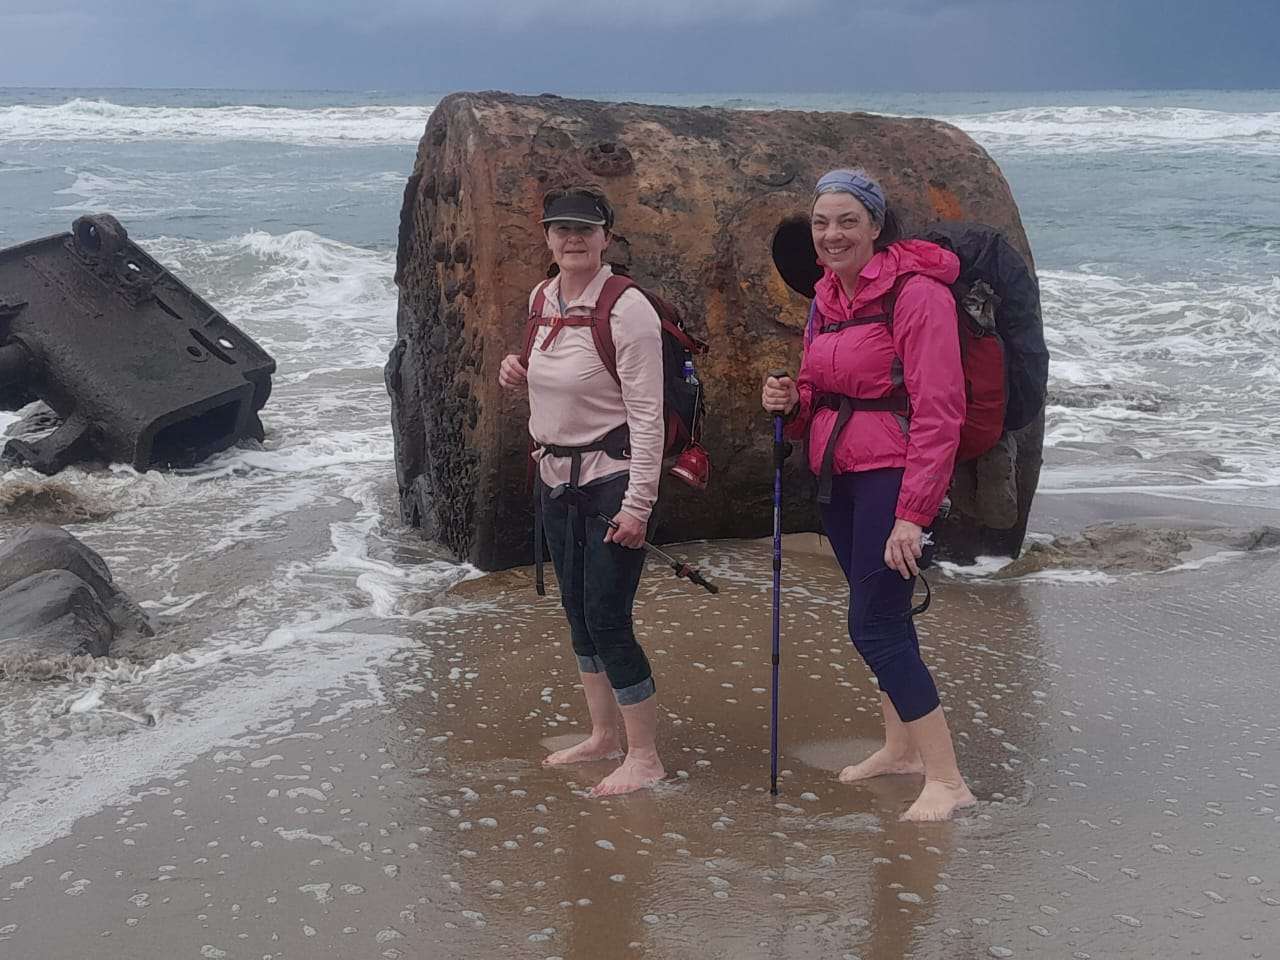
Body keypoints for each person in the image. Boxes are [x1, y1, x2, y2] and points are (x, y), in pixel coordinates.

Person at [761, 169, 977, 821]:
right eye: (821, 223)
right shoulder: (827, 296)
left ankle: (948, 780)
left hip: (894, 477)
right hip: (841, 474)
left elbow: (941, 410)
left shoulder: (918, 294)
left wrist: (913, 515)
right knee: (885, 617)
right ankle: (901, 750)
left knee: (874, 626)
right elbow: (818, 389)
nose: (832, 235)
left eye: (847, 221)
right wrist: (791, 401)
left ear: (877, 226)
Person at [498, 186, 666, 798]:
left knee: (608, 618)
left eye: (585, 229)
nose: (572, 239)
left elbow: (648, 417)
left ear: (606, 238)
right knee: (577, 612)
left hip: (610, 484)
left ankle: (645, 757)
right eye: (561, 228)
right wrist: (515, 372)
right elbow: (553, 379)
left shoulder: (628, 310)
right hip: (554, 480)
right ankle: (602, 736)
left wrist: (637, 507)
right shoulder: (542, 298)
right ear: (547, 237)